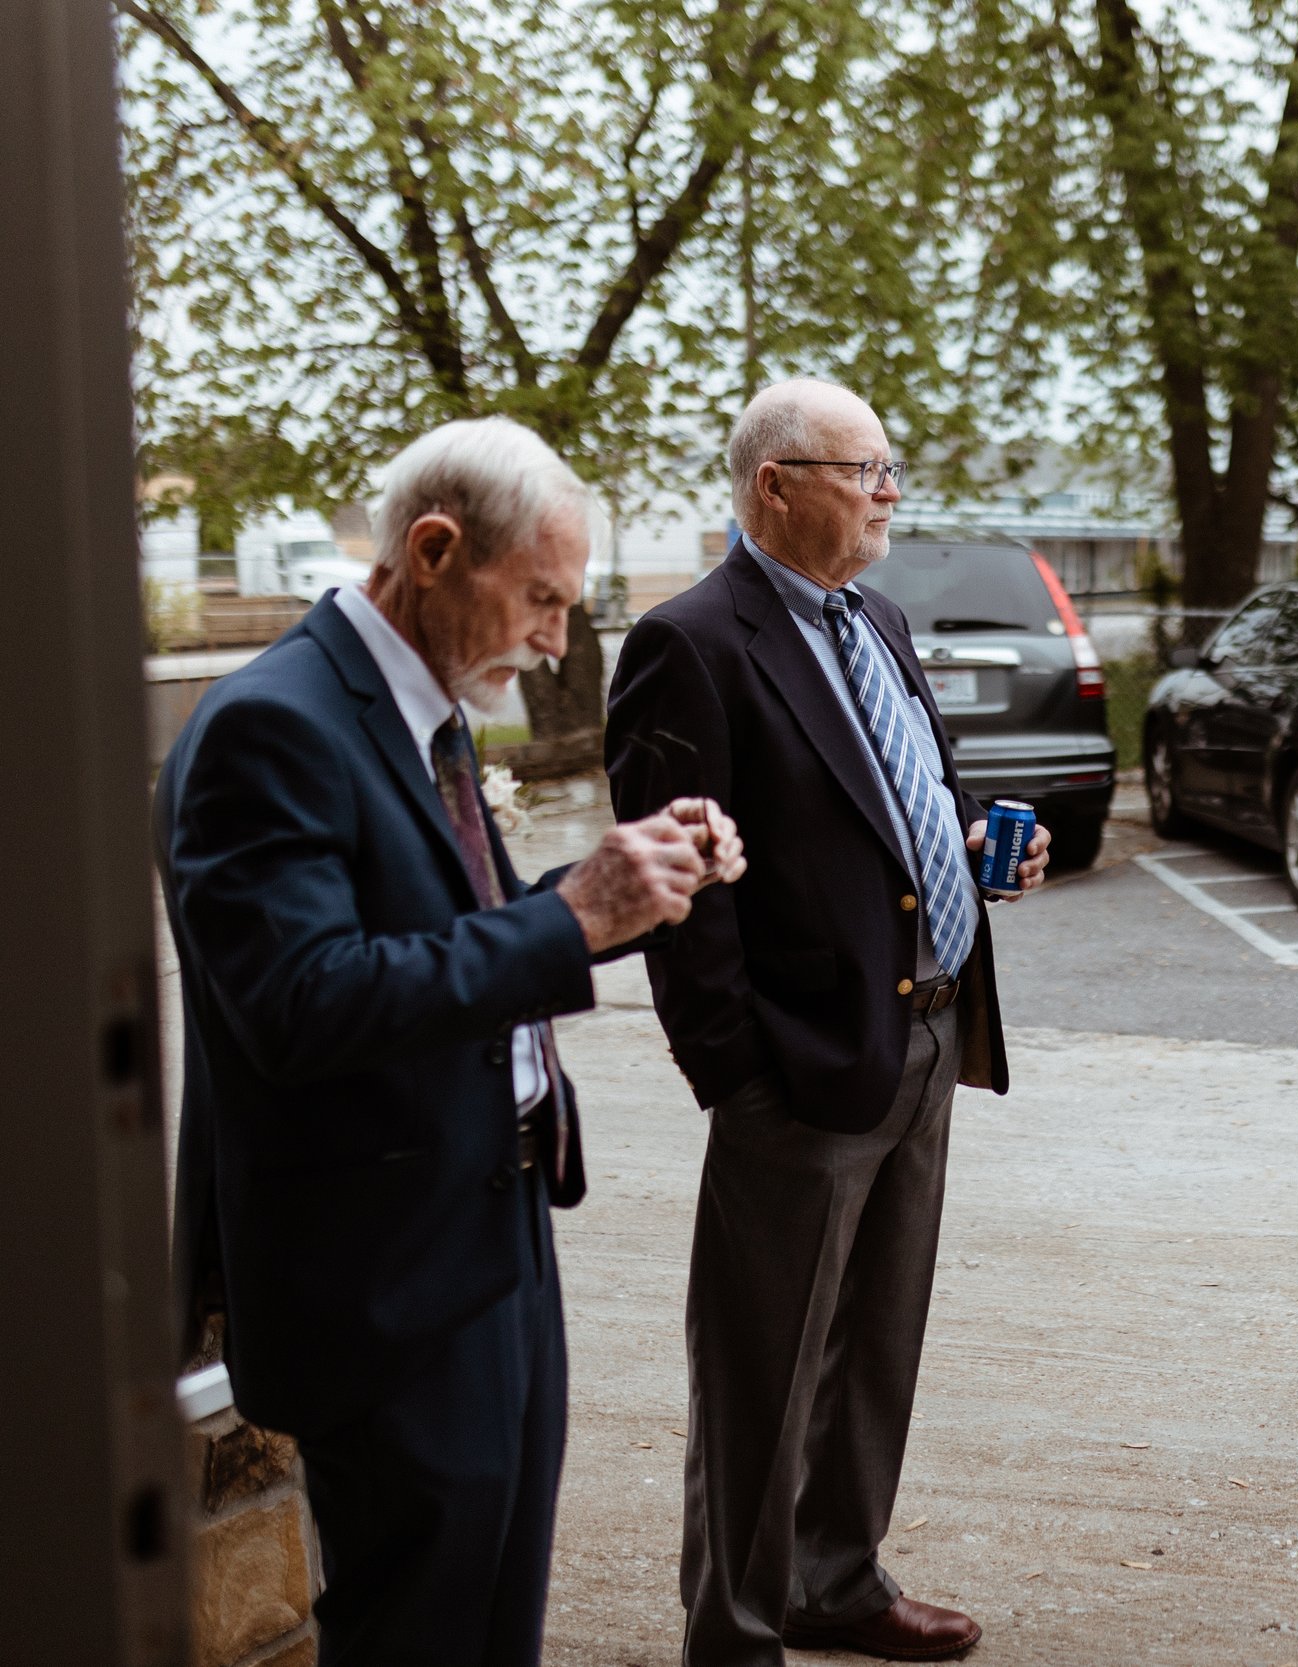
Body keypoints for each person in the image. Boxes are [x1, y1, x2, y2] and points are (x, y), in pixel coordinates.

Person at [160, 417, 746, 1666]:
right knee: (417, 1628)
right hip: (382, 1274)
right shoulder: (273, 722)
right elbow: (302, 1002)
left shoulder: (415, 707)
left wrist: (628, 892)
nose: (554, 638)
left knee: (493, 1615)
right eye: (540, 597)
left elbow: (446, 935)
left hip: (494, 1230)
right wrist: (571, 913)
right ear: (433, 549)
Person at [608, 379, 1049, 1666]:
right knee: (762, 1372)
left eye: (888, 467)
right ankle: (735, 1631)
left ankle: (836, 1579)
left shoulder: (877, 615)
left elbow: (872, 805)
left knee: (873, 1345)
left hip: (922, 1036)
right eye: (865, 470)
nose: (888, 492)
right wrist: (735, 1075)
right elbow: (680, 892)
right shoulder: (690, 641)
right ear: (774, 484)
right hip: (795, 1070)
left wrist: (967, 850)